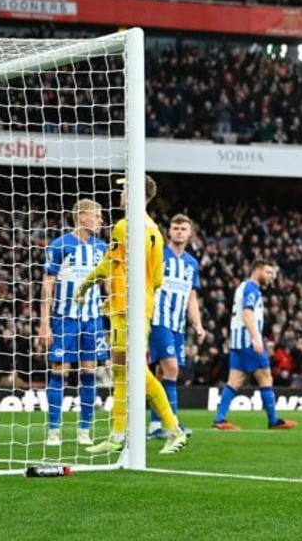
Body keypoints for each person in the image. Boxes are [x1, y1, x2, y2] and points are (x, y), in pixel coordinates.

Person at [76, 175, 188, 455]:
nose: (121, 194)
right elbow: (159, 279)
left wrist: (86, 283)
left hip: (125, 307)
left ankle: (174, 430)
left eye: (125, 190)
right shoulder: (155, 231)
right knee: (121, 371)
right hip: (141, 306)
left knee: (135, 370)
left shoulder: (125, 227)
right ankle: (116, 435)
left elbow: (106, 265)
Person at [39, 199, 109, 446]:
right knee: (60, 372)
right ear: (82, 217)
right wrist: (44, 323)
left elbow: (107, 285)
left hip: (93, 320)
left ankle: (84, 429)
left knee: (89, 372)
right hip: (64, 318)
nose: (101, 220)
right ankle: (54, 430)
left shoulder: (102, 248)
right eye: (97, 215)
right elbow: (47, 285)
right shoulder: (61, 245)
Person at [212, 259, 297, 431]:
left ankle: (220, 419)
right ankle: (273, 420)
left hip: (237, 342)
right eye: (268, 272)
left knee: (235, 380)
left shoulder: (243, 287)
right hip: (247, 342)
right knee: (265, 377)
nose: (271, 277)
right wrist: (256, 338)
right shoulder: (251, 288)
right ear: (257, 270)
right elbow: (247, 313)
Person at [147, 213, 206, 439]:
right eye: (175, 228)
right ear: (169, 231)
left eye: (183, 229)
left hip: (178, 325)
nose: (179, 231)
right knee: (172, 369)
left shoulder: (192, 263)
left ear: (190, 234)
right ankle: (173, 424)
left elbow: (191, 298)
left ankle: (155, 426)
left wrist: (198, 325)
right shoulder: (159, 254)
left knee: (163, 372)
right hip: (158, 319)